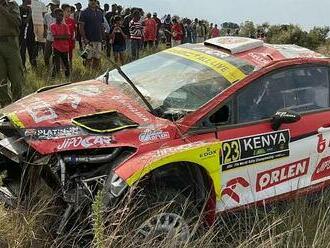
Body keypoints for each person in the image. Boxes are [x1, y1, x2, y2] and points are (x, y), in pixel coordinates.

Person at [0, 0, 24, 106]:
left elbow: (17, 22)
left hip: (11, 43)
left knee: (16, 76)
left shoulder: (12, 5)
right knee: (1, 77)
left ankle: (17, 103)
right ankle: (5, 104)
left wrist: (2, 9)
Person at [79, 0, 104, 69]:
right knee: (88, 58)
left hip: (98, 39)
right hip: (88, 40)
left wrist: (103, 38)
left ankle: (95, 75)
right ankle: (88, 75)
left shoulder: (100, 12)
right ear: (88, 1)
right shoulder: (84, 12)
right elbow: (81, 27)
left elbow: (101, 26)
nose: (93, 2)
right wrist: (85, 39)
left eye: (95, 0)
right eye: (91, 0)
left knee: (97, 58)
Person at [50, 8, 70, 78]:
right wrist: (63, 36)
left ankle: (68, 79)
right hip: (56, 48)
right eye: (59, 15)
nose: (61, 17)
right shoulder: (52, 25)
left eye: (62, 15)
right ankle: (54, 79)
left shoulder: (65, 26)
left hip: (65, 48)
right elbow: (55, 37)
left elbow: (68, 36)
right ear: (55, 15)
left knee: (66, 64)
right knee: (55, 64)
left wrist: (60, 37)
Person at [19, 0, 37, 69]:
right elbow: (24, 22)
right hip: (22, 36)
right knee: (22, 53)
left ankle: (34, 69)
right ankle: (23, 68)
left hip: (31, 35)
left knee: (32, 53)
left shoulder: (30, 8)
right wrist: (30, 13)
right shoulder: (19, 9)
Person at [43, 0, 59, 68]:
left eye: (53, 5)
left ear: (58, 6)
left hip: (58, 38)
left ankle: (54, 70)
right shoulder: (47, 15)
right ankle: (47, 68)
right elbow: (45, 24)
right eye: (51, 5)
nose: (51, 7)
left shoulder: (60, 16)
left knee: (55, 56)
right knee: (46, 55)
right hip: (49, 37)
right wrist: (45, 31)